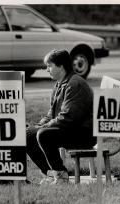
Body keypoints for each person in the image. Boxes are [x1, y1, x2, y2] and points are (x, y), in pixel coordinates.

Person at [26, 49, 96, 185]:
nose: (47, 70)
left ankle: (61, 175)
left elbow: (68, 117)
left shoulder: (75, 84)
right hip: (70, 129)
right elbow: (51, 113)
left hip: (84, 133)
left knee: (44, 135)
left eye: (49, 66)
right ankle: (51, 174)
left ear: (61, 66)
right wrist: (38, 125)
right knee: (27, 134)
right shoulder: (60, 83)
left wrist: (43, 128)